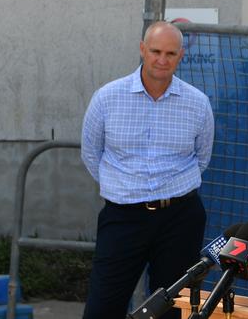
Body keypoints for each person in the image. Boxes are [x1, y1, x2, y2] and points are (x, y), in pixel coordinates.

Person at [81, 21, 214, 319]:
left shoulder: (197, 104)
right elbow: (91, 153)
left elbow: (201, 158)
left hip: (180, 217)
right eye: (155, 51)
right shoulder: (107, 98)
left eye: (170, 53)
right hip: (123, 216)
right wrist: (123, 188)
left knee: (171, 307)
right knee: (103, 305)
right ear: (142, 49)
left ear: (181, 56)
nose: (162, 60)